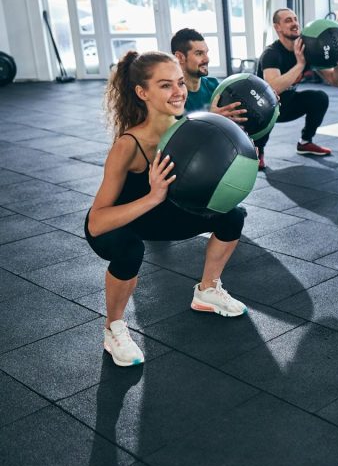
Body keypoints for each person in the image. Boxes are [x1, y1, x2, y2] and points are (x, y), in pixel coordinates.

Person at [85, 50, 248, 367]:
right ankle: (114, 328)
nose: (178, 92)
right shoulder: (128, 146)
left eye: (179, 82)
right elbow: (96, 223)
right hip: (122, 223)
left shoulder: (189, 128)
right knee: (129, 250)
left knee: (233, 216)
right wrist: (151, 196)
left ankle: (207, 290)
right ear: (142, 92)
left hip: (163, 215)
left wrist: (237, 159)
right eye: (165, 85)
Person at [255, 8, 338, 168]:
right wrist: (300, 64)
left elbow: (336, 82)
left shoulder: (308, 49)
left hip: (288, 105)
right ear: (277, 27)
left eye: (295, 19)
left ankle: (305, 142)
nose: (295, 23)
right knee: (266, 107)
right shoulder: (272, 54)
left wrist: (337, 58)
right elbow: (273, 87)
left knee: (319, 98)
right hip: (263, 107)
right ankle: (257, 150)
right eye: (288, 20)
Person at [171, 28, 247, 125]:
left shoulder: (215, 86)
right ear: (179, 57)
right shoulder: (172, 95)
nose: (207, 59)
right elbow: (173, 135)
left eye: (206, 53)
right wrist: (210, 118)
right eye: (199, 53)